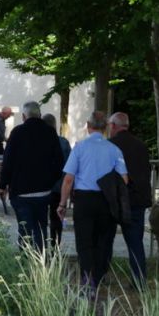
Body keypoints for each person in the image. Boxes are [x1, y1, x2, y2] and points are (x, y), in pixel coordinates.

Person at [57, 111, 127, 291]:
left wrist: (62, 203)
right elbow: (124, 179)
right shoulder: (115, 150)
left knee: (84, 240)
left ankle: (87, 278)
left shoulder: (79, 148)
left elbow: (68, 179)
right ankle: (99, 276)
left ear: (88, 126)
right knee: (103, 240)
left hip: (84, 199)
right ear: (105, 127)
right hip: (106, 199)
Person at [0, 102, 65, 251]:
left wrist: (2, 186)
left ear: (23, 116)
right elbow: (59, 162)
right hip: (44, 192)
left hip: (21, 192)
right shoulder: (50, 132)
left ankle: (26, 263)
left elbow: (7, 161)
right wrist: (50, 181)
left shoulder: (17, 132)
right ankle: (40, 262)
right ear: (40, 115)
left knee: (25, 231)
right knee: (41, 229)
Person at [108, 112, 152, 286]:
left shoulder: (110, 146)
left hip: (115, 200)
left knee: (106, 239)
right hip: (137, 200)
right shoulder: (141, 145)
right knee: (135, 243)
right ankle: (139, 280)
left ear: (113, 126)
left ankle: (101, 274)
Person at [42, 113, 72, 246]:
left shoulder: (38, 142)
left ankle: (41, 245)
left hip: (41, 187)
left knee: (41, 218)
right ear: (55, 125)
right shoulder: (64, 142)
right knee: (56, 218)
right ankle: (55, 246)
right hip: (59, 187)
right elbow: (69, 167)